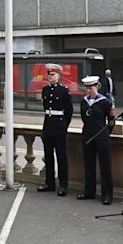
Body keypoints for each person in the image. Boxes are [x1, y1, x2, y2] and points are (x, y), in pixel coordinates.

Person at [37, 63, 73, 197]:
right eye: (49, 75)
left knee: (61, 157)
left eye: (53, 75)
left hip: (59, 127)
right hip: (48, 126)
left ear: (58, 75)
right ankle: (49, 183)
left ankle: (63, 185)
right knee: (48, 156)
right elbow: (45, 108)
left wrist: (64, 126)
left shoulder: (64, 90)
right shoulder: (45, 90)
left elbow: (68, 111)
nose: (50, 77)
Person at [77, 76, 113, 205]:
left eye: (91, 88)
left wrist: (105, 133)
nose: (88, 91)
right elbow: (84, 118)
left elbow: (111, 120)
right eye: (86, 88)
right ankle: (89, 192)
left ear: (97, 86)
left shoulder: (105, 102)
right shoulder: (84, 101)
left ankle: (107, 194)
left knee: (105, 166)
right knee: (89, 164)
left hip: (102, 136)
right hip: (88, 135)